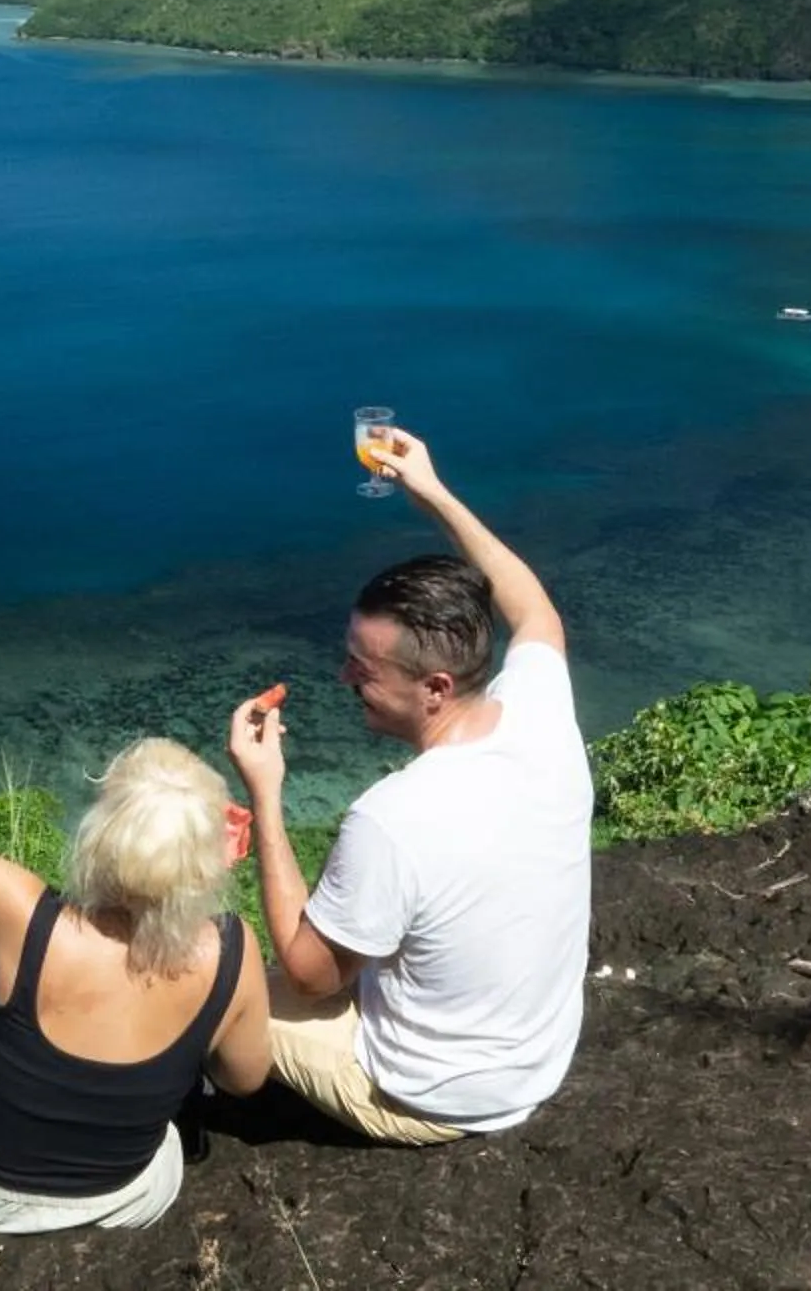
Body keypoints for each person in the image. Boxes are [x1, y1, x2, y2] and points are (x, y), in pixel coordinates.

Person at [0, 553, 271, 1233]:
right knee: (169, 1143)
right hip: (120, 1203)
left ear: (101, 834)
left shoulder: (26, 918)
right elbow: (244, 1079)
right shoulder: (230, 953)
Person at [227, 427, 590, 1144]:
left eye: (363, 670)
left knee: (211, 988)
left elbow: (310, 975)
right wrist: (433, 493)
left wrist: (266, 793)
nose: (344, 678)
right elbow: (535, 610)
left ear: (436, 688)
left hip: (434, 1094)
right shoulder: (541, 712)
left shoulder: (393, 818)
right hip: (536, 1054)